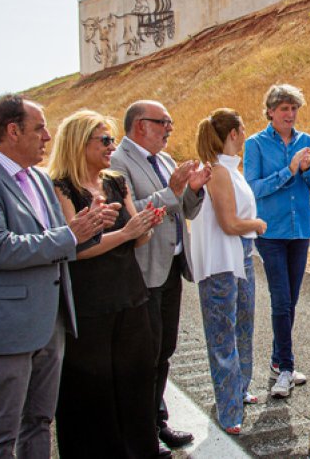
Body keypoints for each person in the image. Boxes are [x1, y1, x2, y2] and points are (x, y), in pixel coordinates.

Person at [0, 94, 117, 458]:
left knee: (39, 421)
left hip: (49, 322)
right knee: (0, 434)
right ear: (12, 131)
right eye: (39, 128)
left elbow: (61, 240)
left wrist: (91, 227)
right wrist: (72, 234)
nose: (47, 136)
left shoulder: (39, 179)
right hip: (6, 329)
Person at [47, 110, 167, 457]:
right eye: (104, 140)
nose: (111, 146)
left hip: (130, 295)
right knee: (92, 392)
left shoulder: (116, 181)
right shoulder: (62, 188)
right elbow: (77, 247)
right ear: (78, 143)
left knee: (135, 383)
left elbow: (137, 241)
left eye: (112, 139)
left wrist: (145, 226)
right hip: (90, 304)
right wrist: (127, 232)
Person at [110, 100, 211, 450]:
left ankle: (158, 421)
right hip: (144, 270)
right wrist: (172, 190)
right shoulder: (117, 161)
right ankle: (142, 433)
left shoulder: (165, 159)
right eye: (163, 122)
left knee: (164, 349)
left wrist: (194, 189)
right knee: (145, 355)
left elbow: (183, 208)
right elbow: (130, 213)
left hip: (170, 268)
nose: (170, 128)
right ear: (141, 125)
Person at [243, 84, 310, 398]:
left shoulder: (306, 142)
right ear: (270, 112)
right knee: (280, 300)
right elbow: (254, 189)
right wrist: (289, 170)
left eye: (294, 109)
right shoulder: (255, 144)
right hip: (271, 233)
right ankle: (287, 369)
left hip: (300, 231)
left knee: (290, 302)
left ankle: (278, 361)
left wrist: (305, 171)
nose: (290, 114)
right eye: (284, 109)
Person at [187, 109, 266, 435]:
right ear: (233, 133)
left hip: (241, 258)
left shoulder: (233, 170)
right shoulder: (218, 171)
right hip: (222, 261)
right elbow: (230, 222)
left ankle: (240, 389)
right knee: (223, 335)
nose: (246, 135)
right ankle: (228, 410)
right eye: (243, 129)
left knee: (244, 327)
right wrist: (258, 224)